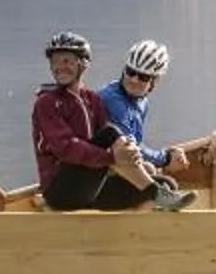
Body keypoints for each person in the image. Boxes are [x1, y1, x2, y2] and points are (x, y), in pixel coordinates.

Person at [33, 30, 151, 211]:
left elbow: (112, 143)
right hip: (61, 192)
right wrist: (111, 158)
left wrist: (130, 156)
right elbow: (67, 148)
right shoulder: (47, 103)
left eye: (67, 61)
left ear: (83, 63)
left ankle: (147, 230)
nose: (60, 67)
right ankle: (153, 194)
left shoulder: (92, 99)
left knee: (164, 182)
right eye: (55, 62)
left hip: (88, 186)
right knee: (109, 133)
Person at [93, 39, 196, 208]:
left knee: (151, 170)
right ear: (124, 70)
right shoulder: (112, 99)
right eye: (130, 71)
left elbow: (137, 145)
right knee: (166, 183)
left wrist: (165, 156)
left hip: (118, 169)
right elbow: (129, 148)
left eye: (143, 76)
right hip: (96, 178)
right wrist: (165, 158)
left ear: (154, 81)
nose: (134, 80)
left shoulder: (142, 102)